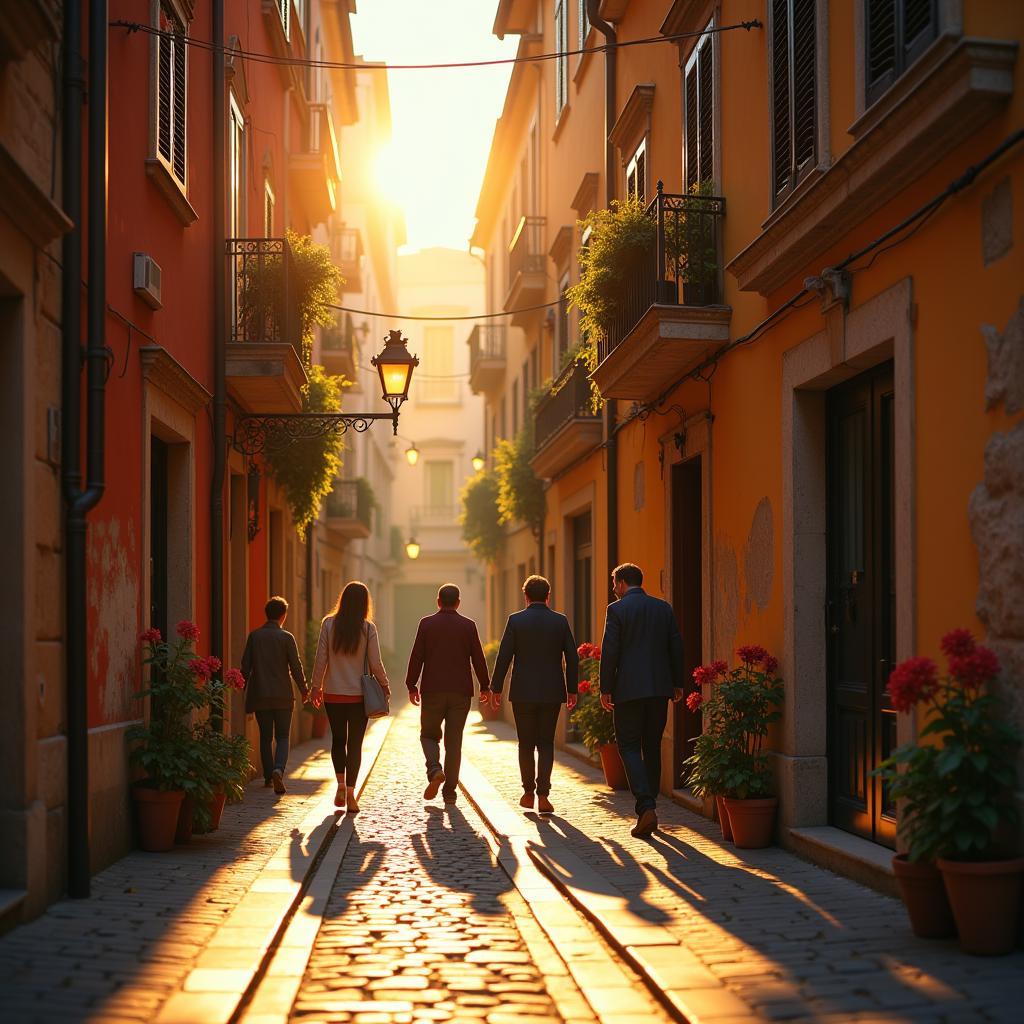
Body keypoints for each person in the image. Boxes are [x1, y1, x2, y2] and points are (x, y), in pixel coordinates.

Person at [599, 563, 684, 837]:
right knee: (652, 745)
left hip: (628, 690)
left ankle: (646, 807)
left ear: (622, 583)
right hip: (659, 688)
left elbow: (610, 651)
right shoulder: (663, 608)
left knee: (629, 746)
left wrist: (605, 687)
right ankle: (652, 808)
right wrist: (677, 682)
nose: (614, 590)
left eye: (614, 584)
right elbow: (676, 645)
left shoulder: (617, 610)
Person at [491, 575, 579, 814]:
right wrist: (572, 689)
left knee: (526, 744)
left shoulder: (516, 621)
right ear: (548, 596)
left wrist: (495, 688)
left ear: (526, 596)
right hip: (551, 691)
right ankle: (544, 795)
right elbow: (572, 657)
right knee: (546, 743)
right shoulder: (560, 622)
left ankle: (528, 792)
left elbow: (504, 656)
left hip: (522, 692)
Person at [405, 583, 490, 805]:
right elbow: (478, 658)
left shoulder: (426, 624)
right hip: (460, 692)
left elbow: (417, 656)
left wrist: (411, 684)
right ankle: (450, 792)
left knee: (428, 735)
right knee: (454, 742)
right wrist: (485, 686)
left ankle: (434, 769)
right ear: (458, 603)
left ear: (438, 601)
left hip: (432, 689)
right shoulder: (468, 626)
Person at [310, 581, 391, 812]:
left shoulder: (328, 624)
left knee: (338, 740)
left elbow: (321, 659)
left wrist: (316, 687)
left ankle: (341, 785)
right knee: (355, 744)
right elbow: (375, 663)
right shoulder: (368, 628)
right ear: (365, 603)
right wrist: (385, 685)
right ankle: (352, 795)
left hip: (333, 694)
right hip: (358, 697)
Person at [241, 595, 309, 794]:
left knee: (265, 737)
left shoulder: (254, 637)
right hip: (283, 696)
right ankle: (279, 768)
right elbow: (296, 667)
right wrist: (304, 690)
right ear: (283, 615)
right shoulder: (287, 638)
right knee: (282, 737)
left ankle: (269, 776)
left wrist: (241, 690)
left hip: (261, 694)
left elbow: (245, 667)